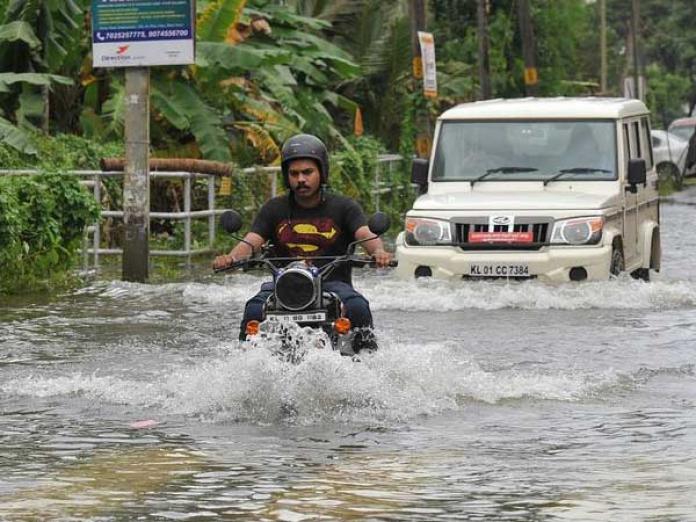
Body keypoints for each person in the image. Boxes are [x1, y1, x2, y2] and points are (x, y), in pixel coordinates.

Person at [213, 133, 393, 351]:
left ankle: (367, 359)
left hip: (333, 285)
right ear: (286, 176)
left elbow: (364, 233)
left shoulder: (344, 207)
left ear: (322, 172)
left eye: (307, 172)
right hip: (283, 286)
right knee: (253, 309)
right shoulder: (274, 208)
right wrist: (231, 258)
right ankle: (245, 360)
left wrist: (378, 252)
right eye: (294, 173)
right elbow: (252, 241)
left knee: (358, 306)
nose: (300, 179)